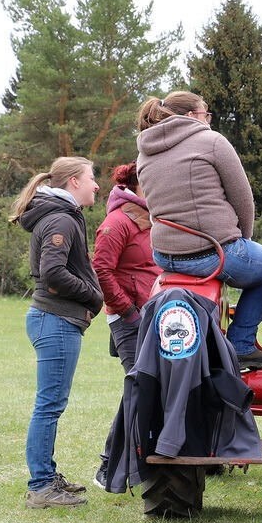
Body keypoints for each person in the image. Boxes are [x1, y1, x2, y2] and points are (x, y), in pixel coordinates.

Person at [135, 91, 262, 370]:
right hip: (210, 250)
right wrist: (244, 240)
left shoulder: (145, 152)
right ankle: (242, 344)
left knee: (259, 272)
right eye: (206, 114)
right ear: (192, 116)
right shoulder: (211, 141)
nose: (208, 120)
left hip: (165, 255)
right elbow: (243, 199)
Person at [10, 156, 103, 508]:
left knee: (50, 404)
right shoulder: (61, 217)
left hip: (53, 319)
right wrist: (94, 296)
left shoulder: (60, 215)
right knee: (49, 406)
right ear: (74, 182)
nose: (96, 185)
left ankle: (47, 476)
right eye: (91, 178)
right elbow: (52, 273)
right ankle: (41, 487)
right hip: (56, 320)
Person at [91, 162, 161, 489]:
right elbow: (101, 270)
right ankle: (110, 466)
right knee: (139, 386)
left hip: (151, 314)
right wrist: (129, 311)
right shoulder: (117, 222)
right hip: (129, 318)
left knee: (139, 387)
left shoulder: (149, 219)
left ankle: (115, 463)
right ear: (139, 183)